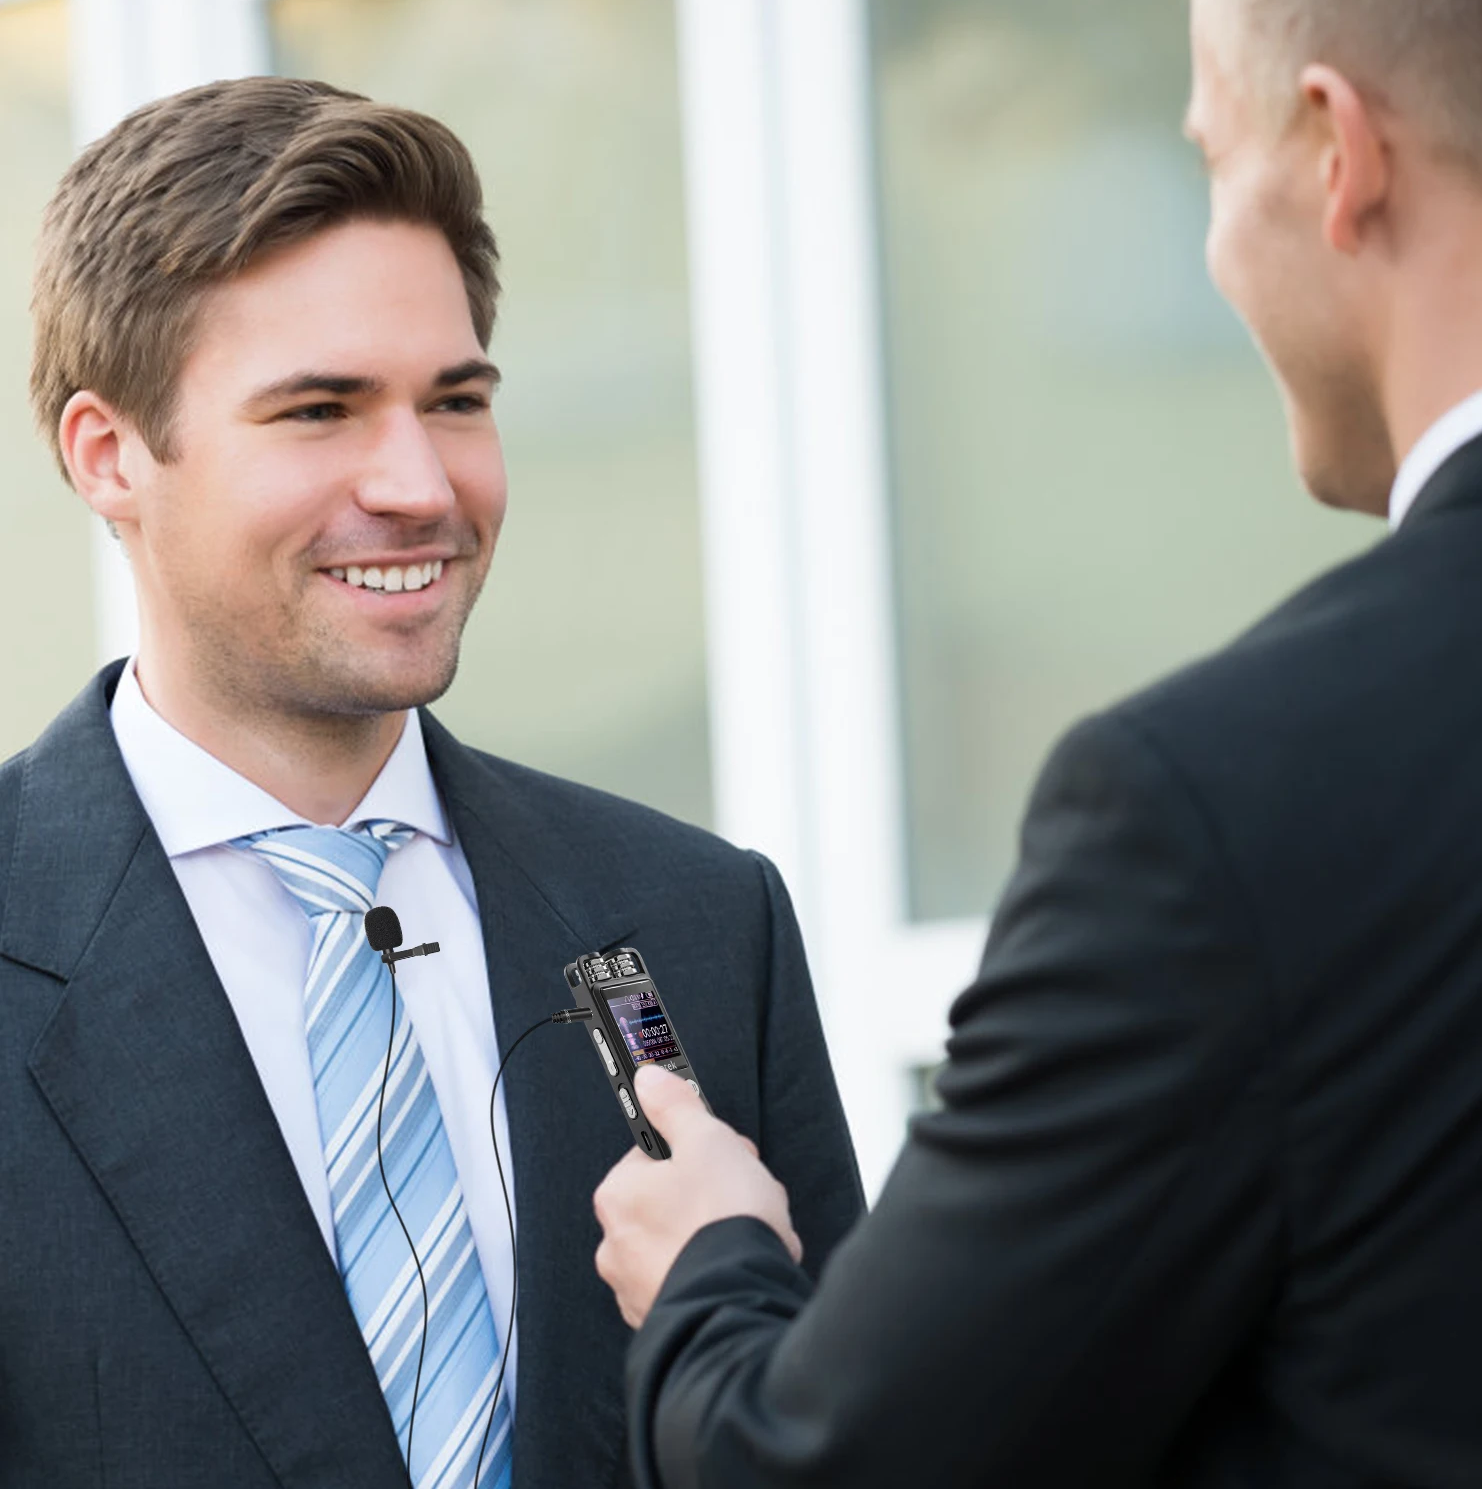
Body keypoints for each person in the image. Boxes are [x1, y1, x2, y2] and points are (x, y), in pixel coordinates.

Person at [592, 0, 1482, 1483]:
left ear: (1339, 153)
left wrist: (711, 1272)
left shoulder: (1220, 805)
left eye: (1209, 156)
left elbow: (828, 1463)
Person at [0, 77, 863, 1489]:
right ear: (109, 456)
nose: (419, 483)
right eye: (321, 410)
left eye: (455, 400)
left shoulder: (706, 926)